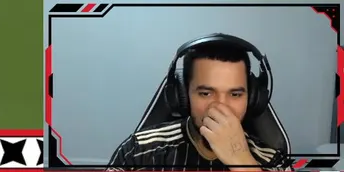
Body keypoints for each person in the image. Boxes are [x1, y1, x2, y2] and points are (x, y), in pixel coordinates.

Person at [107, 36, 291, 171]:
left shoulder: (273, 162)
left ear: (252, 99)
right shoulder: (138, 153)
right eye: (206, 93)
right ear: (183, 95)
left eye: (235, 94)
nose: (220, 107)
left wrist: (241, 161)